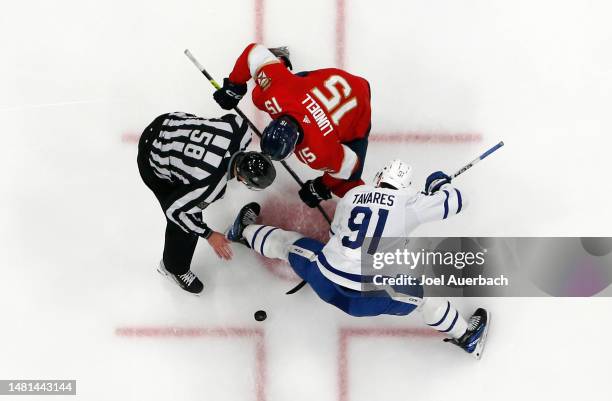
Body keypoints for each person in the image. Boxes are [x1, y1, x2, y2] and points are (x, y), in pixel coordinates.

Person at [227, 159, 489, 358]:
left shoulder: (354, 195)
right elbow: (458, 201)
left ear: (379, 178)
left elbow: (333, 234)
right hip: (371, 297)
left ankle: (244, 232)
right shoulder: (411, 201)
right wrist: (440, 185)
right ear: (405, 186)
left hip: (325, 280)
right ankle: (466, 337)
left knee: (289, 244)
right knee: (426, 296)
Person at [213, 44, 372, 208]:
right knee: (260, 95)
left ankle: (377, 207)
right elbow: (253, 53)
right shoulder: (276, 93)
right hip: (328, 83)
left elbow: (350, 164)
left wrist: (322, 185)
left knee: (347, 183)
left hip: (358, 103)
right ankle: (277, 61)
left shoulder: (317, 152)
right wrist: (234, 86)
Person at [137, 111, 275, 294]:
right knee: (188, 222)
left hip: (166, 123)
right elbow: (175, 211)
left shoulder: (241, 129)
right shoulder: (209, 188)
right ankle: (173, 268)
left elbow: (226, 119)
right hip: (151, 160)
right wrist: (209, 234)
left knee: (192, 200)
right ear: (242, 178)